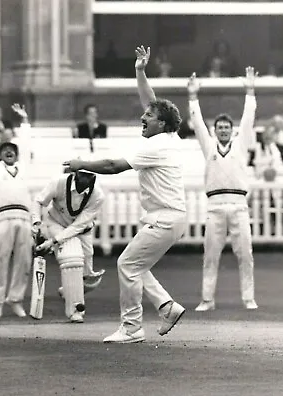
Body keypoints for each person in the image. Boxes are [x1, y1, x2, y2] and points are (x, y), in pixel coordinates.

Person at [63, 45, 186, 344]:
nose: (142, 117)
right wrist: (140, 71)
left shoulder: (155, 146)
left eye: (148, 116)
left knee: (127, 265)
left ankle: (131, 328)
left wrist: (82, 164)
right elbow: (153, 102)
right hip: (169, 218)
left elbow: (113, 166)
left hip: (164, 219)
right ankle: (166, 307)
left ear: (162, 124)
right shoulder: (169, 135)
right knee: (136, 265)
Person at [187, 67, 259, 311]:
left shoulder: (241, 146)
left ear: (233, 130)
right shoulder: (209, 148)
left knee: (245, 255)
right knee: (210, 255)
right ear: (215, 130)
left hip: (239, 206)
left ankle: (248, 298)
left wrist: (250, 91)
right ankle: (207, 299)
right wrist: (192, 97)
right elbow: (197, 123)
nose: (224, 130)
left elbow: (248, 119)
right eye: (220, 128)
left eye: (227, 127)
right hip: (215, 207)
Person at [0, 100, 33, 319]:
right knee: (2, 258)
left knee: (24, 261)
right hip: (3, 219)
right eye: (5, 150)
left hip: (24, 218)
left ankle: (16, 299)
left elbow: (27, 145)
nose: (9, 152)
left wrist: (25, 121)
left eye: (12, 150)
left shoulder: (23, 169)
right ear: (0, 155)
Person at [32, 170, 105, 323]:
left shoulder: (97, 195)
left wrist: (51, 242)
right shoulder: (58, 182)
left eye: (89, 175)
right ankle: (75, 311)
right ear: (76, 173)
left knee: (87, 278)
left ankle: (67, 289)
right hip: (56, 223)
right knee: (72, 258)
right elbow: (39, 201)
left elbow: (77, 227)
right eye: (82, 174)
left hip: (81, 230)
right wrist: (36, 224)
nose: (85, 178)